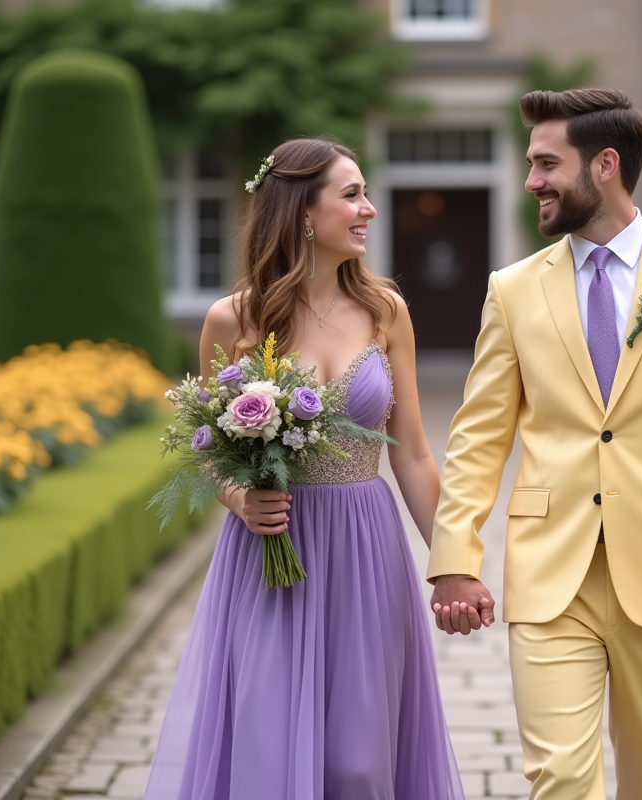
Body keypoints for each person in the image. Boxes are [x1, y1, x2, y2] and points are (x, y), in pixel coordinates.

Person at [426, 88, 642, 800]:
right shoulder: (512, 290)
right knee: (558, 777)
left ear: (605, 165)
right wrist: (454, 559)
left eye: (547, 163)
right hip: (552, 574)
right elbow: (478, 437)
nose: (531, 181)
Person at [144, 137, 465, 800]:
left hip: (364, 550)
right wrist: (238, 497)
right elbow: (205, 444)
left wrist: (454, 563)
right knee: (266, 755)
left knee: (357, 765)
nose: (369, 209)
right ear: (302, 213)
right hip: (269, 556)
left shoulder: (387, 312)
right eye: (352, 194)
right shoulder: (231, 319)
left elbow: (413, 451)